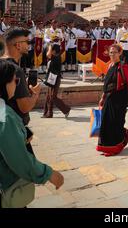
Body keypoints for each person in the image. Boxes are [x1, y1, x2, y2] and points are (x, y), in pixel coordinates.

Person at [0, 60, 64, 208]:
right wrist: (49, 174)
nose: (16, 84)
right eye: (15, 80)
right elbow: (19, 159)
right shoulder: (4, 116)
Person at [2, 28, 41, 154]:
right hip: (13, 130)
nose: (28, 45)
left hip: (4, 126)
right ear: (18, 45)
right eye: (26, 42)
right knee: (29, 170)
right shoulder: (15, 70)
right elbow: (24, 107)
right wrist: (35, 94)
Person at [96, 44, 128, 156]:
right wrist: (102, 97)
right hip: (109, 97)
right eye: (111, 52)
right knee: (105, 121)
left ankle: (115, 147)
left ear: (120, 53)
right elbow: (107, 83)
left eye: (115, 52)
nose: (112, 54)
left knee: (115, 122)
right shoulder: (110, 66)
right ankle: (107, 146)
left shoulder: (124, 67)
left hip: (120, 98)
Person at [43, 44, 71, 119]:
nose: (50, 51)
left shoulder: (57, 57)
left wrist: (50, 45)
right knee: (48, 96)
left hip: (55, 79)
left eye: (52, 50)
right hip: (51, 78)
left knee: (53, 97)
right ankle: (48, 113)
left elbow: (48, 54)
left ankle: (66, 109)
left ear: (54, 51)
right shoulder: (55, 56)